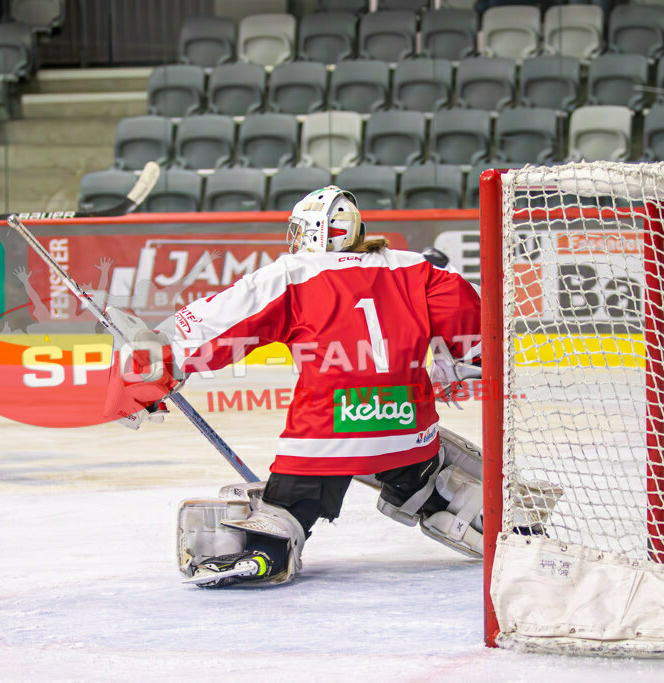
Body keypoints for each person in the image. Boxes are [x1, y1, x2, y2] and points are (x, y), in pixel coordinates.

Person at [103, 186, 486, 587]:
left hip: (325, 434)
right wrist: (458, 369)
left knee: (292, 502)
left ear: (318, 231)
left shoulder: (293, 273)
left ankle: (271, 543)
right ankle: (460, 505)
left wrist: (160, 353)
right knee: (416, 465)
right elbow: (473, 333)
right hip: (406, 423)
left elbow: (219, 325)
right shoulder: (416, 267)